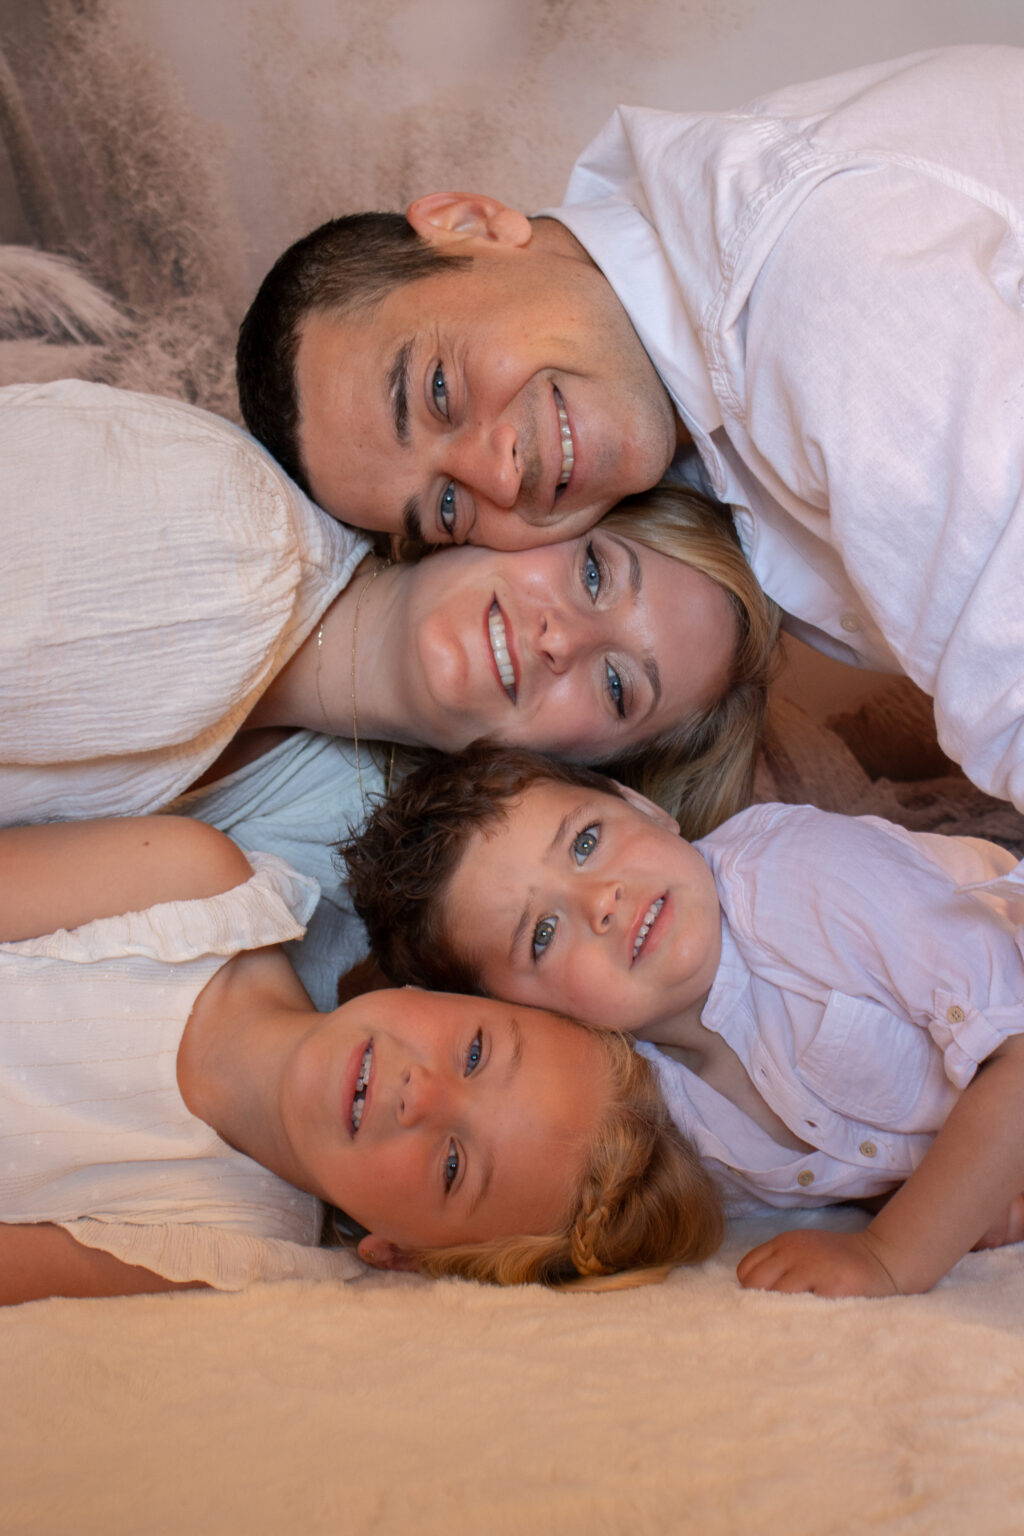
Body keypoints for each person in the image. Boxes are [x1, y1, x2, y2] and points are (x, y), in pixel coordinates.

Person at [237, 45, 1024, 813]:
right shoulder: (679, 445)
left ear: (473, 224)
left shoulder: (802, 285)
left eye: (438, 389)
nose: (498, 474)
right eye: (447, 507)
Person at [2, 380, 777, 1005]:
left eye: (616, 686)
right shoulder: (204, 507)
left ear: (592, 772)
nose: (562, 637)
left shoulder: (344, 892)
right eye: (595, 573)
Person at [342, 743, 1024, 1298]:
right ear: (528, 1015)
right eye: (542, 934)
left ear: (644, 807)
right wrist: (952, 1190)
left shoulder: (803, 876)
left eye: (584, 843)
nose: (600, 901)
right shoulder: (655, 1105)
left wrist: (891, 1252)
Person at [0, 811, 723, 1306]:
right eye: (474, 1051)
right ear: (441, 989)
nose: (424, 1096)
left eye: (452, 1167)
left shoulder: (222, 1252)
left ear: (398, 1254)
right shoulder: (194, 890)